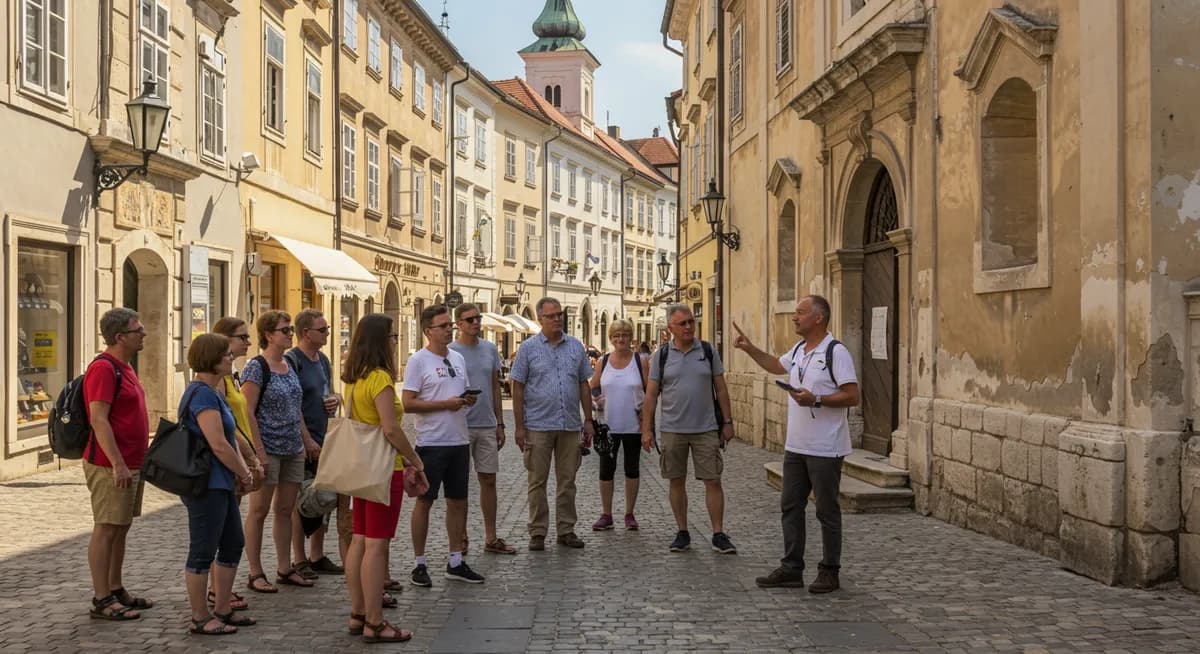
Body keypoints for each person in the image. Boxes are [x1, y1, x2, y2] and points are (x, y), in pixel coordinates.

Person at [733, 295, 859, 594]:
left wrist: (816, 398)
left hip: (826, 448)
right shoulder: (801, 349)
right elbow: (777, 365)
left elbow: (852, 395)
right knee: (790, 506)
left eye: (800, 312)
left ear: (818, 317)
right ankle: (792, 568)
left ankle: (830, 570)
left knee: (826, 510)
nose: (794, 317)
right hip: (796, 446)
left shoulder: (835, 352)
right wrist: (750, 349)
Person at [342, 313, 425, 643]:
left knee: (360, 540)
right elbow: (390, 428)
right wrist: (414, 459)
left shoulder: (357, 378)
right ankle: (374, 622)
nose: (395, 341)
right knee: (376, 545)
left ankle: (358, 612)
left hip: (362, 468)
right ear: (381, 342)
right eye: (392, 337)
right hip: (382, 469)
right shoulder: (380, 379)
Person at [641, 304, 737, 555]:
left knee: (713, 480)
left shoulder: (707, 351)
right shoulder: (661, 356)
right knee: (676, 481)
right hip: (673, 429)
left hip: (706, 427)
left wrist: (727, 422)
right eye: (682, 323)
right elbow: (651, 395)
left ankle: (718, 533)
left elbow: (721, 388)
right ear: (670, 328)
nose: (688, 327)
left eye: (691, 322)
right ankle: (682, 531)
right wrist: (646, 430)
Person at [179, 334, 257, 635]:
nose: (231, 357)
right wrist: (244, 472)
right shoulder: (201, 394)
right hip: (206, 483)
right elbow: (218, 444)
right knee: (202, 549)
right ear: (210, 359)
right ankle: (200, 616)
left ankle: (222, 608)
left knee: (232, 542)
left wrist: (243, 465)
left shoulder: (215, 392)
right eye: (225, 354)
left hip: (221, 482)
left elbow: (231, 436)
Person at [403, 305, 485, 586]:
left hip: (459, 440)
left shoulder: (458, 358)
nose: (449, 329)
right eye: (443, 326)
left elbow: (458, 394)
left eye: (450, 324)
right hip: (431, 442)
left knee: (458, 501)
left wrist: (466, 400)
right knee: (424, 503)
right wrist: (446, 405)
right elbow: (408, 402)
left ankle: (456, 560)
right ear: (428, 331)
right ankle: (419, 563)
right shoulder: (418, 361)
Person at [241, 311, 322, 593]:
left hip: (293, 448)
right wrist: (258, 452)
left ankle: (285, 567)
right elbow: (247, 411)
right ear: (268, 335)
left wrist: (307, 439)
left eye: (290, 329)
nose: (290, 334)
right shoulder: (256, 367)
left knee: (286, 510)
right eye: (284, 330)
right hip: (270, 448)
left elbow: (295, 408)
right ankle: (254, 571)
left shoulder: (288, 366)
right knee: (259, 510)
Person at [510, 297, 595, 551]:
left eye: (560, 314)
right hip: (537, 424)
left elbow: (584, 384)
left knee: (567, 480)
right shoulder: (528, 349)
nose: (558, 319)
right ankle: (537, 532)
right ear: (540, 319)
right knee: (537, 481)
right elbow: (518, 388)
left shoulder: (576, 347)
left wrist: (588, 420)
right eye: (552, 315)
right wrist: (518, 426)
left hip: (569, 424)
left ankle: (566, 529)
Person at [83, 307, 151, 620]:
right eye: (138, 330)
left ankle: (115, 586)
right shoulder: (104, 368)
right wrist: (117, 464)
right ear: (120, 336)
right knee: (106, 528)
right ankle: (101, 598)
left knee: (121, 527)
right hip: (110, 463)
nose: (144, 334)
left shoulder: (125, 366)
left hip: (132, 461)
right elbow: (99, 419)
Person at [449, 303, 517, 555]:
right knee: (460, 484)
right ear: (459, 324)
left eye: (477, 318)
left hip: (487, 423)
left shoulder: (489, 349)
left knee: (489, 479)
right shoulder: (450, 351)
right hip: (459, 425)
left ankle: (491, 536)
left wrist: (500, 422)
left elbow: (495, 389)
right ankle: (462, 536)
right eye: (470, 320)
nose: (476, 323)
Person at [209, 317, 264, 613]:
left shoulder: (233, 375)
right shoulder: (216, 381)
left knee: (227, 528)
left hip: (240, 457)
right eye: (242, 338)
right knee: (222, 531)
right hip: (228, 461)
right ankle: (217, 592)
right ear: (224, 341)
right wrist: (247, 461)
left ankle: (220, 589)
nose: (247, 343)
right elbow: (224, 431)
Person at [286, 309, 345, 580]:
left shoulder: (322, 360)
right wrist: (306, 438)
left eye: (328, 328)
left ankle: (317, 554)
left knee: (324, 497)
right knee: (302, 501)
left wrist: (334, 399)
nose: (327, 333)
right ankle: (299, 558)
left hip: (325, 437)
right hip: (302, 440)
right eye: (322, 330)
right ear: (306, 332)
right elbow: (292, 403)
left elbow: (329, 391)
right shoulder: (292, 361)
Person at [588, 319, 648, 531]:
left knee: (632, 469)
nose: (620, 339)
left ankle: (629, 513)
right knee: (606, 470)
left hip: (633, 425)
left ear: (630, 338)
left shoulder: (640, 362)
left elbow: (650, 392)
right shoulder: (603, 361)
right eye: (616, 336)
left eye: (624, 335)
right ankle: (606, 514)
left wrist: (647, 423)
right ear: (611, 339)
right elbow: (593, 387)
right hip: (608, 425)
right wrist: (596, 399)